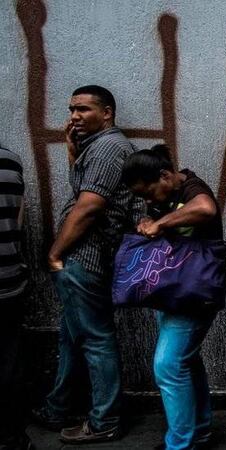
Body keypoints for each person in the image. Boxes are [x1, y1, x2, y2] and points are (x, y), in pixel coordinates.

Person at [32, 85, 144, 444]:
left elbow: (90, 206)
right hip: (83, 257)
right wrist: (73, 152)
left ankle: (105, 419)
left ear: (107, 113)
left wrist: (55, 253)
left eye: (83, 109)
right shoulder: (95, 148)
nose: (74, 116)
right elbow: (86, 190)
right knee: (71, 336)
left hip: (86, 256)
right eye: (72, 110)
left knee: (95, 339)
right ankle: (58, 407)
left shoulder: (109, 148)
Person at [121, 145, 225, 450]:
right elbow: (158, 221)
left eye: (148, 193)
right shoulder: (163, 196)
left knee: (167, 365)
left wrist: (161, 223)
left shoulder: (192, 186)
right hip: (172, 290)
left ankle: (180, 444)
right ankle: (198, 432)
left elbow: (206, 208)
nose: (148, 201)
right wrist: (147, 223)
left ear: (166, 175)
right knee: (185, 361)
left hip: (194, 291)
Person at [0, 146, 32, 450]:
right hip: (9, 279)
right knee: (10, 362)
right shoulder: (11, 160)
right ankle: (14, 439)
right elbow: (18, 221)